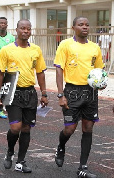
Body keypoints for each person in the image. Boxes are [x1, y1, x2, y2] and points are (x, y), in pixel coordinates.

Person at [0, 19, 49, 173]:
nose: (26, 31)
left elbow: (40, 73)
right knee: (15, 127)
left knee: (26, 128)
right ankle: (10, 151)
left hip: (30, 92)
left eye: (28, 29)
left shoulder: (36, 50)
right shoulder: (7, 50)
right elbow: (0, 74)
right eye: (23, 28)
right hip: (13, 92)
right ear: (16, 30)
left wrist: (44, 93)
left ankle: (20, 161)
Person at [54, 17, 104, 178]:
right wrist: (61, 94)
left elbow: (99, 71)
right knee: (69, 129)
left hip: (90, 92)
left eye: (87, 25)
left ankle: (83, 167)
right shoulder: (65, 45)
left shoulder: (95, 47)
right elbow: (59, 69)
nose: (84, 27)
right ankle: (61, 146)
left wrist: (102, 83)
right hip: (72, 92)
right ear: (73, 27)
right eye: (81, 25)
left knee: (88, 128)